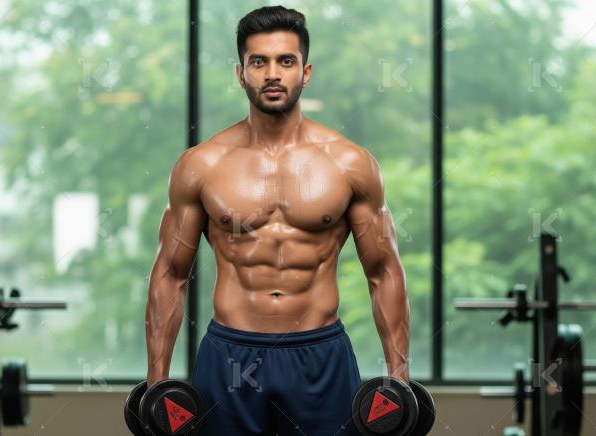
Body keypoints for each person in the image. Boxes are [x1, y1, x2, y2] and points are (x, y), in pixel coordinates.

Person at [145, 5, 410, 435]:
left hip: (320, 354)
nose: (272, 73)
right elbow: (171, 274)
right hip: (230, 353)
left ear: (305, 72)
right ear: (240, 72)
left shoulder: (349, 163)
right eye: (259, 62)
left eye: (286, 61)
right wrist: (156, 383)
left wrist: (399, 378)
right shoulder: (202, 165)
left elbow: (383, 271)